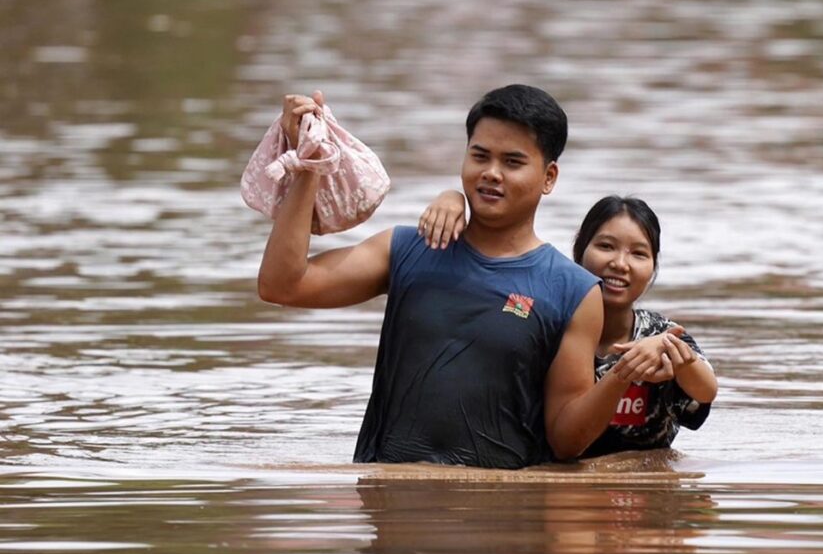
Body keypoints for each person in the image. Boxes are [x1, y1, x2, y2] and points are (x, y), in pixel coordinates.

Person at [258, 84, 656, 468]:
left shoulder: (572, 290)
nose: (491, 173)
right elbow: (283, 284)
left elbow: (566, 441)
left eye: (512, 162)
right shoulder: (408, 249)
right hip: (393, 510)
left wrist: (620, 376)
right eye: (480, 156)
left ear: (549, 177)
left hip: (501, 517)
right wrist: (309, 165)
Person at [419, 193, 718, 457]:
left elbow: (706, 391)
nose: (620, 263)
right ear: (579, 251)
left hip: (642, 497)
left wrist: (674, 356)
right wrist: (454, 201)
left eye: (638, 254)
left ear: (653, 267)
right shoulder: (543, 322)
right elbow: (489, 294)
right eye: (606, 246)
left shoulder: (659, 334)